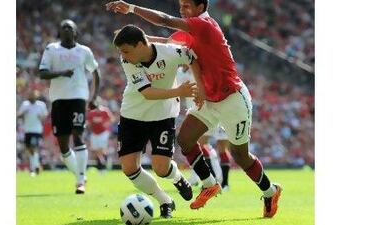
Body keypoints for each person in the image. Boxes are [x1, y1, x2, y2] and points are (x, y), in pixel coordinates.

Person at [106, 0, 282, 217]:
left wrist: (132, 9)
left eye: (187, 5)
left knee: (240, 155)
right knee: (186, 140)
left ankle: (270, 191)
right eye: (180, 4)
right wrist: (139, 39)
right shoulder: (190, 30)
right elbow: (168, 42)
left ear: (201, 7)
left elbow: (165, 21)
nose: (182, 8)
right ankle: (209, 184)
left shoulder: (204, 24)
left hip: (232, 97)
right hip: (208, 97)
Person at [113, 24, 203, 218]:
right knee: (129, 168)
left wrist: (200, 88)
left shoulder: (170, 53)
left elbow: (193, 57)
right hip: (133, 115)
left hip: (163, 115)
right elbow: (147, 93)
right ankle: (165, 200)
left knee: (161, 168)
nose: (123, 56)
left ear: (139, 45)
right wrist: (179, 92)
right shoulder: (128, 61)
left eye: (126, 51)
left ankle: (178, 179)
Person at [38, 19, 101, 194]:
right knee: (64, 146)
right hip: (58, 99)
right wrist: (62, 74)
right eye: (63, 26)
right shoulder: (52, 49)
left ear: (76, 32)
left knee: (78, 134)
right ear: (59, 31)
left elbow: (95, 71)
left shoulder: (84, 51)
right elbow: (42, 73)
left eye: (70, 27)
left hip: (78, 97)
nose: (66, 29)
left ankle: (80, 181)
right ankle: (80, 175)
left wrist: (94, 96)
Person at [17, 90, 48, 176]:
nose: (31, 97)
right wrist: (23, 113)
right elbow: (18, 114)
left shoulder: (41, 105)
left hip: (37, 130)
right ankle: (36, 165)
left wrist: (40, 117)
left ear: (36, 96)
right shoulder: (25, 104)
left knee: (33, 147)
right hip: (27, 130)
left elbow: (45, 116)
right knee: (29, 149)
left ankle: (33, 169)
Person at [86, 96, 115, 172]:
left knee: (101, 149)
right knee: (95, 151)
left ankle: (103, 166)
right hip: (94, 133)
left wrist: (106, 124)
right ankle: (103, 164)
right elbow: (88, 123)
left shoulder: (105, 111)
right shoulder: (91, 113)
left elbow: (112, 119)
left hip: (103, 133)